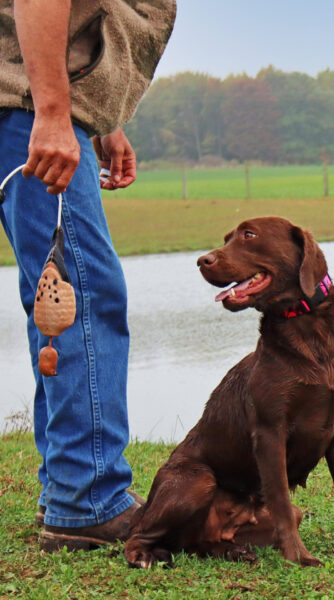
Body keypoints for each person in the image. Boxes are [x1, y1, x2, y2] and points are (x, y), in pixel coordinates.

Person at [0, 0, 176, 551]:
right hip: (27, 109)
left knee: (54, 295)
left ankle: (69, 491)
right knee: (80, 294)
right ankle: (86, 500)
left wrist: (103, 116)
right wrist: (54, 112)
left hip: (30, 105)